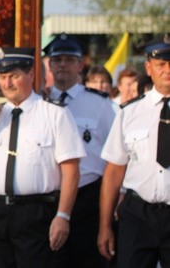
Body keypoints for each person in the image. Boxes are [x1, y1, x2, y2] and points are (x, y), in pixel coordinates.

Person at [0, 47, 85, 267]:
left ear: (30, 75)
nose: (7, 83)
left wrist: (63, 216)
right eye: (2, 77)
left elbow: (71, 171)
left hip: (36, 213)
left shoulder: (55, 113)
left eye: (14, 76)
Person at [44, 33, 115, 268]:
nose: (62, 64)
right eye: (57, 60)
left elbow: (115, 153)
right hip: (50, 198)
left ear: (80, 65)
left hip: (88, 198)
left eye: (68, 59)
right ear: (49, 65)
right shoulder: (39, 103)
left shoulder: (100, 103)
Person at [98, 35, 170, 267]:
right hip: (138, 214)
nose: (167, 70)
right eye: (161, 64)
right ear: (149, 68)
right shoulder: (130, 112)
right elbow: (114, 171)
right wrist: (105, 226)